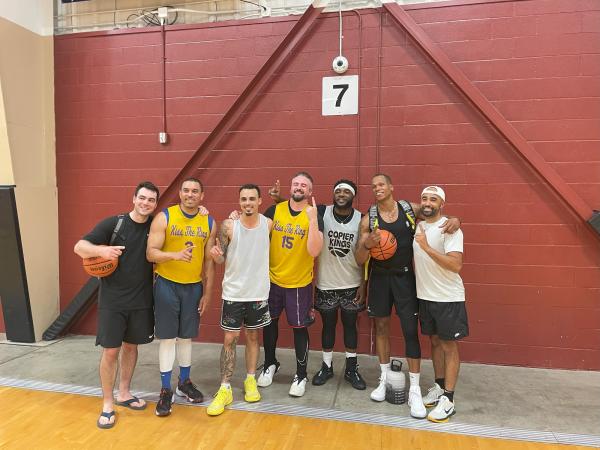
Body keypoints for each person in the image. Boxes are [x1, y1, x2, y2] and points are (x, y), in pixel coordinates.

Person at [355, 174, 459, 419]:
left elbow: (437, 219)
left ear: (391, 186)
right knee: (380, 327)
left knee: (410, 330)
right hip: (380, 278)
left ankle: (414, 389)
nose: (377, 188)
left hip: (405, 278)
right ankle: (384, 380)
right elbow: (359, 259)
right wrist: (367, 244)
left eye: (381, 184)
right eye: (373, 186)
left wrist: (456, 219)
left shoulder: (409, 209)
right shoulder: (368, 218)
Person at [74, 181, 159, 429]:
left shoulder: (155, 226)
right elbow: (79, 246)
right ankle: (107, 402)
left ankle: (124, 393)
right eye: (142, 198)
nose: (146, 203)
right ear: (134, 198)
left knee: (131, 348)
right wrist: (103, 251)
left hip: (142, 300)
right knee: (111, 351)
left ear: (155, 204)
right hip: (113, 301)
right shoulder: (115, 223)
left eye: (151, 200)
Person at [270, 179, 367, 390]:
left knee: (351, 326)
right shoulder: (320, 211)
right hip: (326, 282)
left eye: (346, 191)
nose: (341, 194)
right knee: (328, 326)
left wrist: (363, 282)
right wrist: (277, 198)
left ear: (353, 195)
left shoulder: (361, 219)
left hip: (351, 281)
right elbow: (296, 207)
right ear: (333, 194)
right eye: (338, 190)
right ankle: (327, 366)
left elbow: (365, 253)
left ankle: (351, 368)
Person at [147, 177, 216, 417]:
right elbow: (150, 254)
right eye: (186, 190)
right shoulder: (165, 217)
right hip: (167, 284)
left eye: (195, 191)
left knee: (186, 338)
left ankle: (184, 383)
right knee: (168, 339)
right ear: (180, 193)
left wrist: (207, 292)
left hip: (193, 287)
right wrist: (175, 255)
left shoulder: (208, 221)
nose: (190, 194)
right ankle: (166, 389)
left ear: (202, 195)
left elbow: (209, 262)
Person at [206, 184, 272, 416]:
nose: (247, 203)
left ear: (260, 201)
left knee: (253, 336)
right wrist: (216, 256)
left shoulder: (268, 224)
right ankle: (225, 388)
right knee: (230, 339)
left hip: (258, 292)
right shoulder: (229, 226)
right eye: (243, 199)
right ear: (239, 202)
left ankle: (250, 380)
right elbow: (221, 258)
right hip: (234, 293)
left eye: (252, 199)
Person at [256, 172, 324, 397]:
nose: (299, 187)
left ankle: (301, 374)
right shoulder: (275, 210)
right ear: (290, 187)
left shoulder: (313, 215)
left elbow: (314, 251)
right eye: (295, 184)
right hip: (272, 280)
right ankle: (269, 363)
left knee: (299, 329)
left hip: (298, 283)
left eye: (304, 185)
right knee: (270, 324)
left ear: (310, 191)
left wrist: (313, 220)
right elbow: (255, 232)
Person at [412, 186, 468, 423]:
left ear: (441, 204)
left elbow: (456, 265)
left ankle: (449, 399)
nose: (427, 202)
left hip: (448, 297)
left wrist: (426, 247)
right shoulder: (419, 224)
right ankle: (438, 387)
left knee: (448, 345)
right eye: (424, 198)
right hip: (426, 296)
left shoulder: (450, 229)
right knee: (434, 342)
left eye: (433, 199)